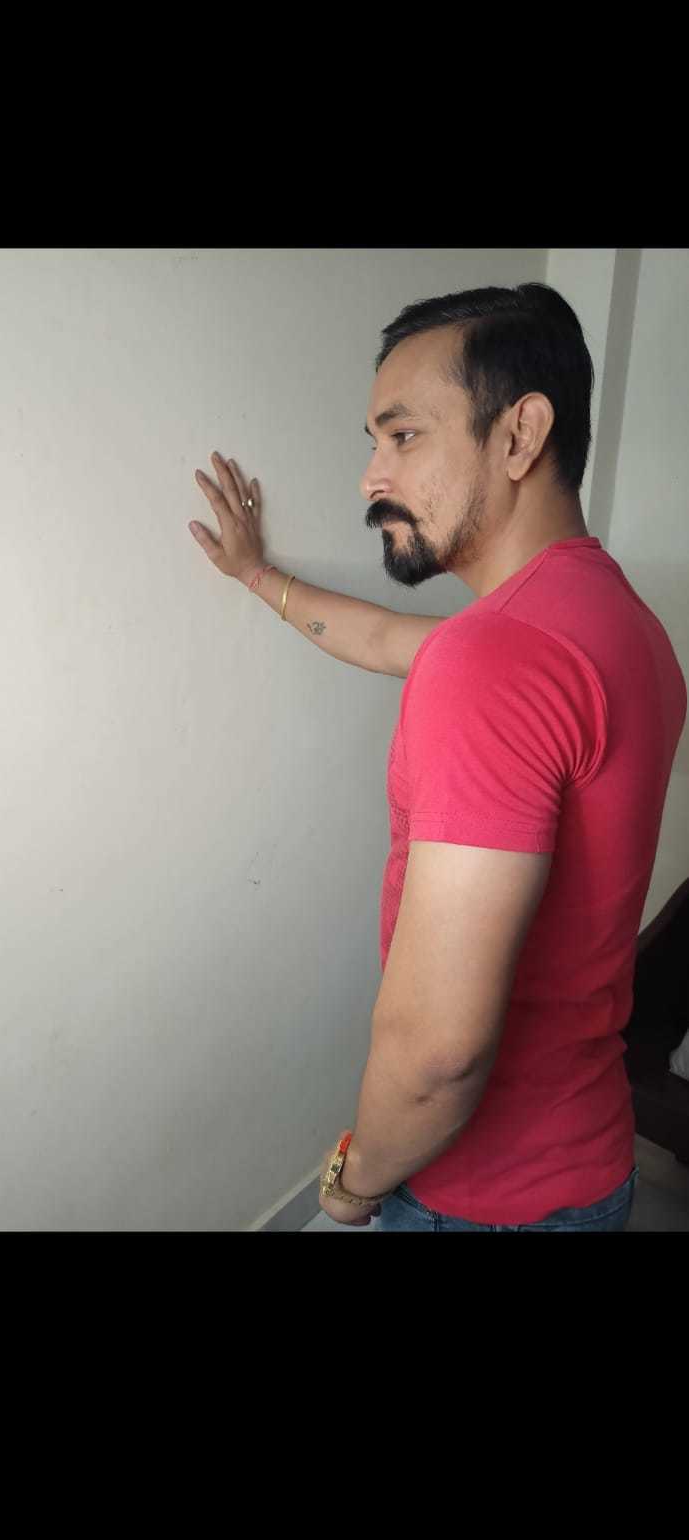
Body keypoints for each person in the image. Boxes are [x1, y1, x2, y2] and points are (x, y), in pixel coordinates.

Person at [190, 283, 687, 1232]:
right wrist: (256, 575)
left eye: (404, 436)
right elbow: (387, 640)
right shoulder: (620, 627)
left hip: (479, 1197)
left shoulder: (493, 658)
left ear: (519, 435)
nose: (370, 478)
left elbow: (437, 1057)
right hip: (594, 1163)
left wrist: (353, 1185)